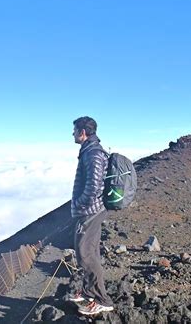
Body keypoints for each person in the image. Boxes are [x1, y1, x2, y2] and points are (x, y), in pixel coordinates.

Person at [67, 116, 114, 315]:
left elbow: (94, 186)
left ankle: (102, 299)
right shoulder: (90, 150)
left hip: (90, 210)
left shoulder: (93, 153)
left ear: (82, 132)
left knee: (85, 253)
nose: (72, 134)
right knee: (90, 252)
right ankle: (89, 292)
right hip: (93, 210)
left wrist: (80, 203)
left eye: (75, 130)